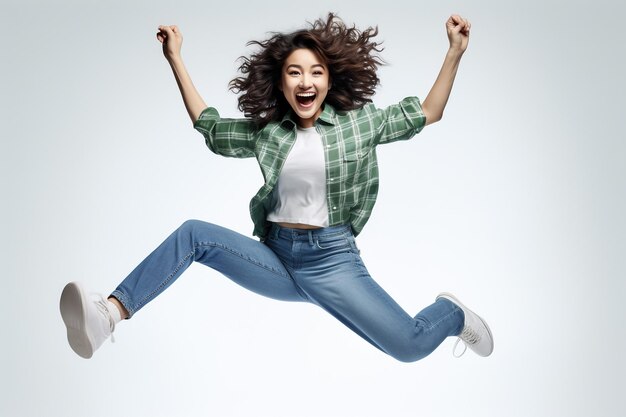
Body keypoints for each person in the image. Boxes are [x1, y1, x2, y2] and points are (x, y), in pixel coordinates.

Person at [60, 13, 493, 361]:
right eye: (294, 73)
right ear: (281, 81)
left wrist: (455, 51)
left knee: (410, 347)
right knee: (193, 233)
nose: (305, 82)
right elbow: (208, 127)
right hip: (276, 257)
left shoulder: (361, 122)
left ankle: (452, 314)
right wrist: (175, 58)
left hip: (332, 262)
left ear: (329, 80)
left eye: (316, 72)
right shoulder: (270, 133)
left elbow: (428, 112)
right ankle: (110, 314)